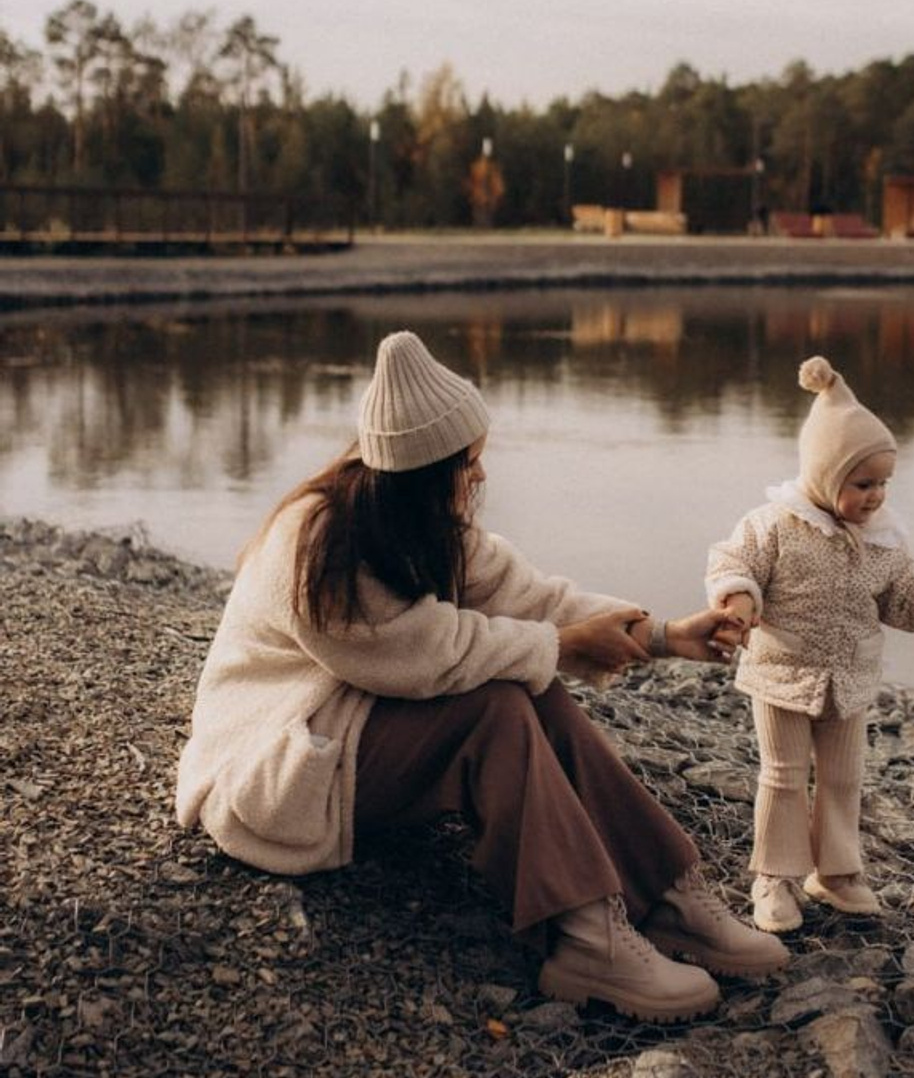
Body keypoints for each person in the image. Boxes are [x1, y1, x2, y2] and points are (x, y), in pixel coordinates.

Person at [176, 330, 788, 1023]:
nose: (480, 476)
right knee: (495, 704)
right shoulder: (318, 546)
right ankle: (586, 936)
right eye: (468, 463)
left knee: (532, 683)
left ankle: (665, 894)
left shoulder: (419, 520)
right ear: (424, 470)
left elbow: (531, 601)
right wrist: (558, 645)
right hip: (273, 765)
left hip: (348, 729)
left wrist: (664, 634)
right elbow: (424, 657)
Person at [705, 356, 914, 934]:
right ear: (826, 475)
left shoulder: (883, 540)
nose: (876, 496)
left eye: (883, 483)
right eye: (862, 484)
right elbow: (734, 563)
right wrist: (739, 603)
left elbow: (900, 596)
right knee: (782, 774)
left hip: (850, 677)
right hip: (781, 671)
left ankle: (835, 870)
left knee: (844, 777)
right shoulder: (774, 525)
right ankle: (775, 876)